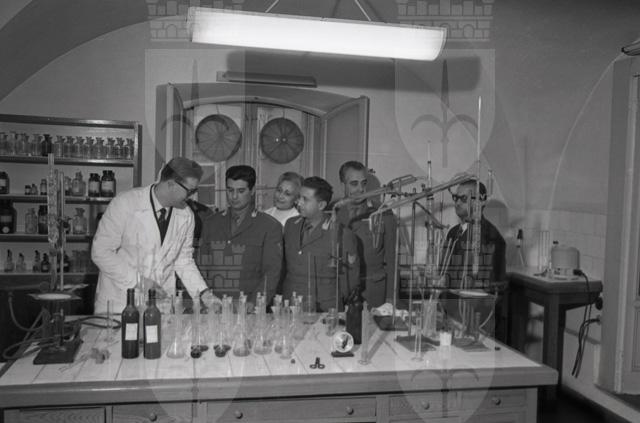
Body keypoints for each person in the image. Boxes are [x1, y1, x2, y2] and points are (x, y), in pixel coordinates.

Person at [92, 157, 211, 314]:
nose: (192, 197)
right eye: (190, 191)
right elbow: (100, 252)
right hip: (120, 302)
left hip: (160, 305)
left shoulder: (186, 215)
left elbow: (183, 261)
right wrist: (139, 282)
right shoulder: (125, 203)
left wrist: (204, 293)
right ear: (171, 184)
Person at [198, 165, 282, 305]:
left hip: (249, 306)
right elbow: (201, 266)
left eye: (241, 191)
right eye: (230, 190)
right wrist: (207, 300)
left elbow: (271, 274)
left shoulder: (269, 226)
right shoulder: (211, 223)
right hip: (214, 305)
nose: (234, 196)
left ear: (252, 191)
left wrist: (254, 305)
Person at [440, 179, 507, 340]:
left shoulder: (490, 237)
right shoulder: (453, 233)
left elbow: (489, 287)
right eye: (456, 197)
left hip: (476, 320)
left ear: (480, 202)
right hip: (450, 314)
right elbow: (443, 273)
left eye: (464, 198)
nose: (457, 202)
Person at [282, 176, 359, 312]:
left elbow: (350, 279)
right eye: (299, 197)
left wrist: (333, 299)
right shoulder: (290, 225)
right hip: (290, 306)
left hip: (324, 308)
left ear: (321, 205)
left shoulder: (341, 233)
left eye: (305, 199)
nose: (299, 202)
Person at [334, 161, 397, 308]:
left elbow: (392, 261)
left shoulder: (382, 211)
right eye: (354, 184)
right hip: (342, 289)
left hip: (373, 291)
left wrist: (391, 299)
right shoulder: (334, 211)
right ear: (342, 185)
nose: (360, 189)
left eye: (363, 183)